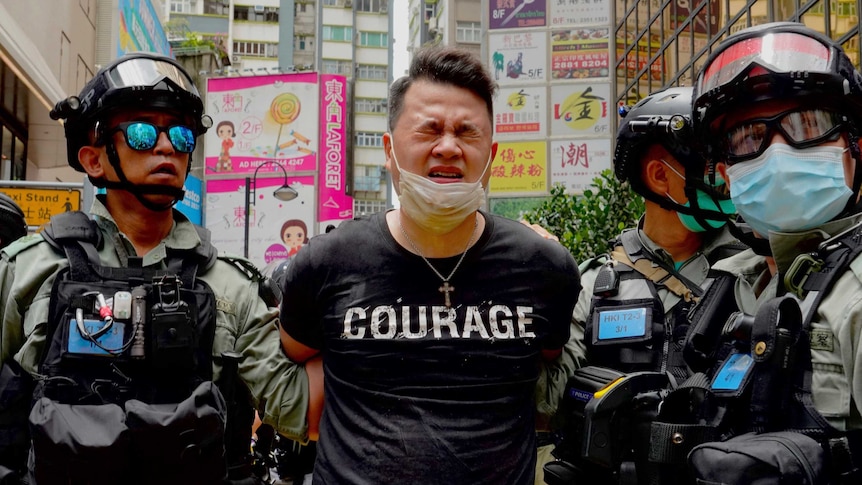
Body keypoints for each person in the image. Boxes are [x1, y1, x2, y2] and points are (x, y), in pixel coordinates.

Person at [0, 52, 313, 484]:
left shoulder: (232, 287)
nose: (167, 146)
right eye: (144, 133)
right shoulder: (28, 270)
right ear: (94, 159)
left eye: (182, 136)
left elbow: (301, 409)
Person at [279, 45, 580, 484]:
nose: (448, 147)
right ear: (388, 149)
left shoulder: (544, 266)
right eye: (430, 129)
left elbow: (550, 357)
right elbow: (296, 354)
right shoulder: (325, 263)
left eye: (466, 132)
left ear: (491, 156)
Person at [684, 21, 862, 480]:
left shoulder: (857, 295)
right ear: (726, 174)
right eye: (749, 137)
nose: (777, 152)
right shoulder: (739, 280)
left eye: (808, 125)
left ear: (856, 146)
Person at [537, 87, 741, 485]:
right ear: (660, 176)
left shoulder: (753, 268)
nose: (725, 175)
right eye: (710, 163)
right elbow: (550, 398)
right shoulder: (597, 283)